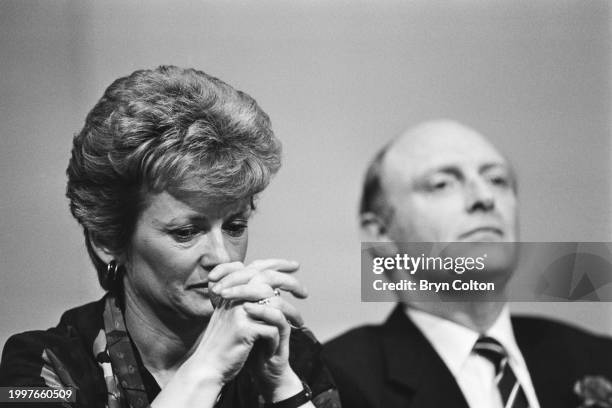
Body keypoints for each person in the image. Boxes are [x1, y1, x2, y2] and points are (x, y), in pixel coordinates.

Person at [0, 66, 339, 408]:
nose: (222, 257)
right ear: (107, 240)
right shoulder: (43, 362)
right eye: (186, 232)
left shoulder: (288, 351)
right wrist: (208, 367)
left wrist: (282, 385)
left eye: (235, 227)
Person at [322, 120, 612, 408]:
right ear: (381, 235)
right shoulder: (337, 380)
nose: (485, 198)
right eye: (442, 184)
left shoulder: (598, 358)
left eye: (497, 179)